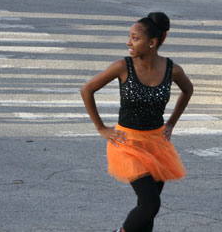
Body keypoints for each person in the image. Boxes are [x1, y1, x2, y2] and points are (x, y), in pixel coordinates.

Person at [80, 12, 193, 232]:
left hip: (157, 144)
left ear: (152, 42)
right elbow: (87, 89)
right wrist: (102, 128)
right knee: (150, 203)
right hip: (127, 142)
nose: (128, 42)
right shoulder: (123, 66)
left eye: (134, 38)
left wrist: (171, 123)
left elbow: (188, 90)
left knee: (148, 209)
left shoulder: (172, 70)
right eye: (129, 37)